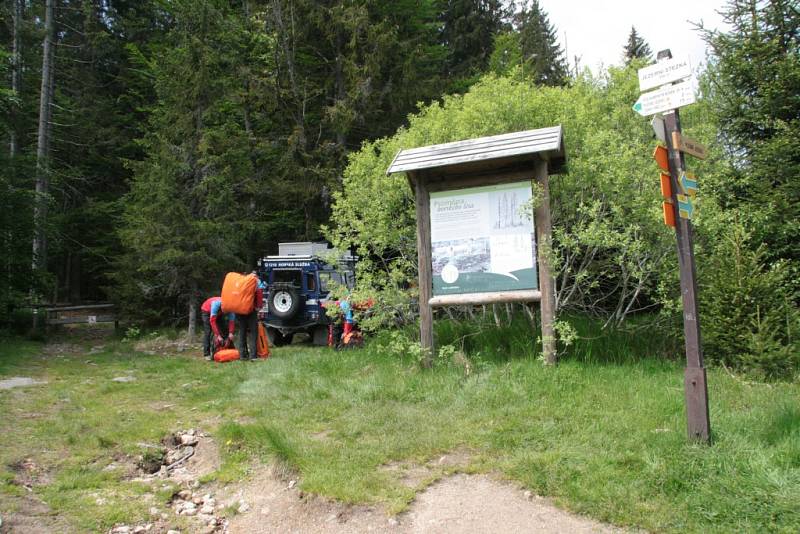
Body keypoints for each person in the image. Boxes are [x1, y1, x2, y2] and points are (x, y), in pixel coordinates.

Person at [236, 273, 264, 361]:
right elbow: (259, 293)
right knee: (253, 332)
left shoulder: (241, 282)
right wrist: (259, 308)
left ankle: (242, 355)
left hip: (239, 310)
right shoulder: (255, 281)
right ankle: (253, 356)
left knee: (242, 332)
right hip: (251, 310)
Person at [201, 296, 235, 361]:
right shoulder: (215, 305)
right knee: (208, 332)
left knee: (224, 329)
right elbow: (212, 321)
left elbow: (232, 321)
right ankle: (206, 354)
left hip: (219, 313)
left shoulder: (230, 308)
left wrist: (231, 333)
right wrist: (218, 335)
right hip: (206, 311)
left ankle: (227, 348)